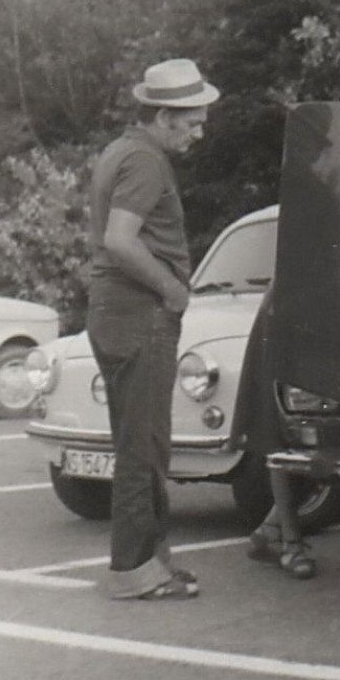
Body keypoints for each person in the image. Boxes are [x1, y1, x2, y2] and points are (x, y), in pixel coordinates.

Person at [87, 58, 219, 600]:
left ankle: (152, 562)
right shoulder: (144, 161)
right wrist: (172, 290)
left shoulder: (123, 150)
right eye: (190, 122)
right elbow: (120, 240)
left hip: (119, 313)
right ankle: (134, 570)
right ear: (162, 115)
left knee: (144, 442)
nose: (199, 132)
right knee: (143, 447)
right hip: (141, 315)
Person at [234, 285, 317, 578]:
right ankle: (290, 543)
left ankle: (271, 529)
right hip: (294, 305)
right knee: (287, 432)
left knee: (323, 441)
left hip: (325, 303)